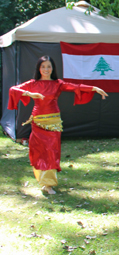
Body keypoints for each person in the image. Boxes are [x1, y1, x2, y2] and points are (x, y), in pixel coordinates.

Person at [8, 55, 108, 195]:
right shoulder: (33, 83)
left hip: (54, 123)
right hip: (38, 122)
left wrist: (93, 88)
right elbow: (13, 89)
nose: (46, 69)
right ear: (39, 68)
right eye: (43, 66)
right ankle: (43, 181)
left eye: (49, 66)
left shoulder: (57, 83)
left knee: (51, 151)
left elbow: (76, 87)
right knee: (39, 151)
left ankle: (48, 184)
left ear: (53, 68)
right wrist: (29, 94)